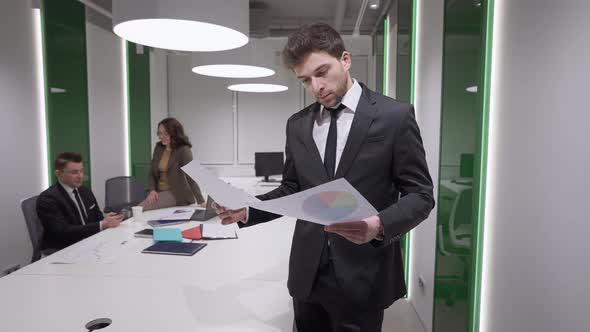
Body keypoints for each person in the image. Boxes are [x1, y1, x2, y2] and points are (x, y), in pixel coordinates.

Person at [215, 23, 435, 331]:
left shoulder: (394, 116)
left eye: (322, 72)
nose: (316, 86)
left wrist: (379, 225)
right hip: (308, 273)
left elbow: (421, 195)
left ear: (345, 60)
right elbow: (292, 189)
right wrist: (248, 209)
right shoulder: (297, 125)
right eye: (305, 80)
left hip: (364, 271)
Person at [36, 152, 124, 250]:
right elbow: (62, 232)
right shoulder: (48, 199)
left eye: (81, 171)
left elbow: (97, 218)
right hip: (62, 249)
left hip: (89, 244)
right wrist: (102, 224)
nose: (80, 176)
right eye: (74, 172)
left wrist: (108, 219)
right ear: (58, 174)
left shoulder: (85, 191)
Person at [140, 117, 205, 211]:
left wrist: (201, 201)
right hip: (158, 192)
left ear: (174, 134)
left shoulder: (183, 150)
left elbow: (191, 176)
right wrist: (152, 190)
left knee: (140, 208)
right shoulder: (159, 147)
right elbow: (152, 173)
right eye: (160, 133)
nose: (161, 136)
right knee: (139, 208)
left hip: (176, 193)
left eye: (165, 134)